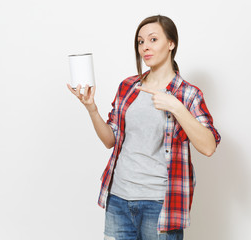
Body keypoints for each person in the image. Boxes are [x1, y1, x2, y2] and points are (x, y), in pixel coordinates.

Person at [67, 15, 221, 240]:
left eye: (153, 39)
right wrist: (91, 108)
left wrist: (176, 107)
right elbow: (110, 140)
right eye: (140, 42)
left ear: (171, 44)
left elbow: (208, 147)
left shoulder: (188, 94)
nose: (145, 47)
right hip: (118, 199)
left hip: (159, 205)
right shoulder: (129, 87)